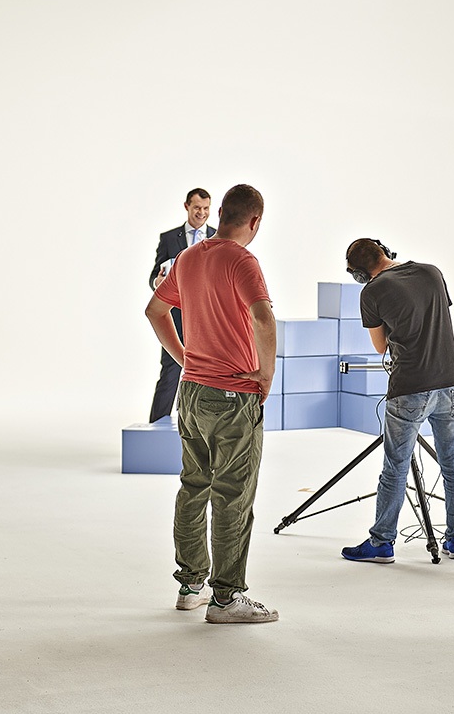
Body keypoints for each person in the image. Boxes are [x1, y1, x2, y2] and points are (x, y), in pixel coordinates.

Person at [145, 184, 279, 624]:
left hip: (192, 394)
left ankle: (190, 587)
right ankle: (226, 598)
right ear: (255, 221)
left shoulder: (188, 258)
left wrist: (185, 359)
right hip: (233, 395)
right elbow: (263, 317)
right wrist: (265, 374)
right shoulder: (242, 260)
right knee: (233, 495)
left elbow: (155, 311)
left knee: (193, 486)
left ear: (219, 212)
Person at [339, 239, 454, 563]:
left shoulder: (371, 292)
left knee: (395, 469)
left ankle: (382, 542)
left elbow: (380, 347)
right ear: (386, 251)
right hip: (453, 382)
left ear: (359, 274)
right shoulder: (431, 272)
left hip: (410, 386)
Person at [148, 189, 216, 423]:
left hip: (208, 317)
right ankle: (157, 425)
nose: (201, 213)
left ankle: (202, 424)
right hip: (176, 316)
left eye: (206, 208)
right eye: (197, 208)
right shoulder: (169, 239)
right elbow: (154, 275)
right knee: (171, 369)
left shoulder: (217, 237)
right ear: (187, 206)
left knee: (207, 372)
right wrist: (157, 283)